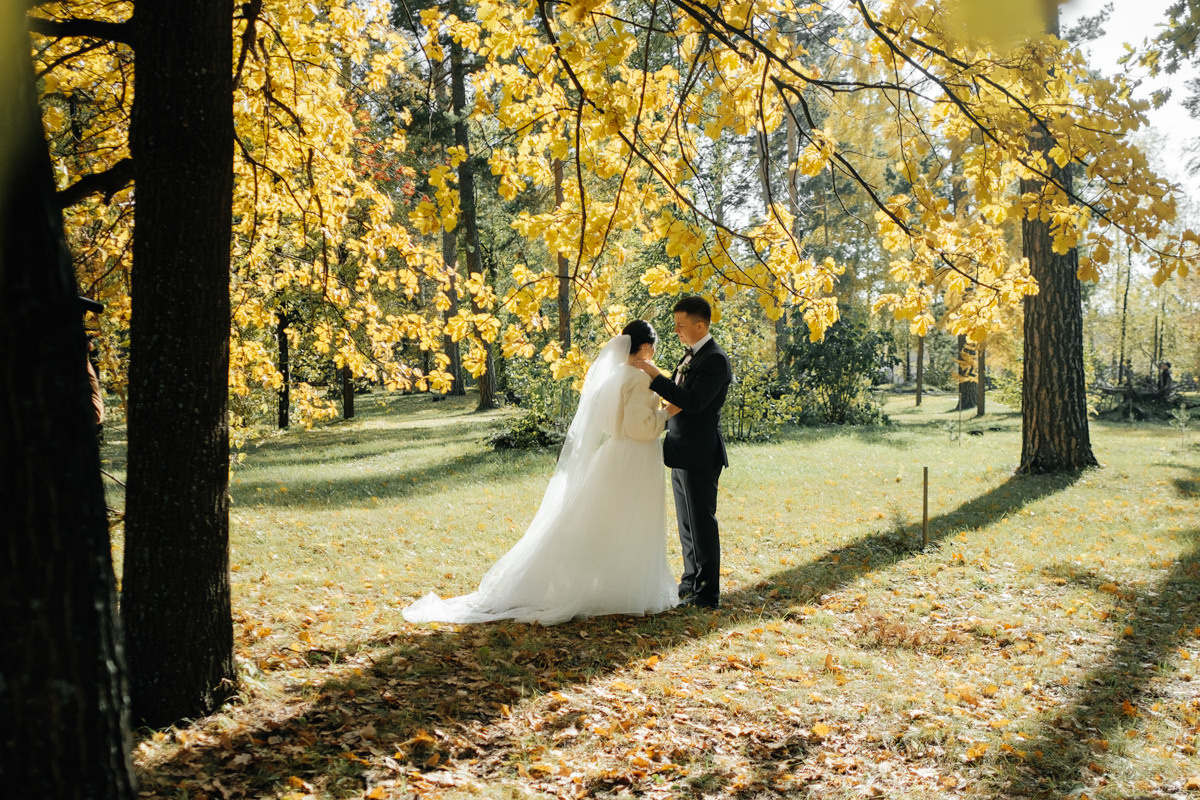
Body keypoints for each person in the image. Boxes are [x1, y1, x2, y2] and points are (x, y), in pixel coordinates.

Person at [403, 320, 679, 625]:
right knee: (633, 518)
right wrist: (667, 412)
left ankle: (615, 583)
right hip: (636, 455)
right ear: (645, 347)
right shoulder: (640, 378)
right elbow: (639, 427)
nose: (654, 350)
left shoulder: (616, 375)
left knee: (609, 518)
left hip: (615, 452)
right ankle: (628, 587)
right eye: (653, 345)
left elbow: (607, 422)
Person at [635, 296, 732, 609]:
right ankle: (690, 581)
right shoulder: (690, 356)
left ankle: (707, 594)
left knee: (702, 525)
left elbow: (694, 402)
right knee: (687, 525)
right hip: (680, 450)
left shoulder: (715, 359)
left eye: (681, 325)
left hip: (701, 453)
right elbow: (676, 401)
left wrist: (654, 375)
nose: (675, 330)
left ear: (700, 325)